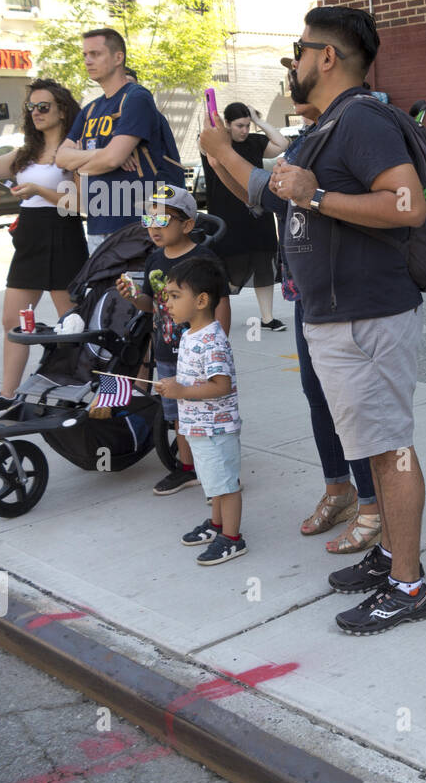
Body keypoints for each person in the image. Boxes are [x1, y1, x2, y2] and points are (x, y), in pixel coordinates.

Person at [268, 6, 426, 634]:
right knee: (374, 444)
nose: (294, 63)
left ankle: (409, 586)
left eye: (298, 50)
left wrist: (313, 195)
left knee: (390, 449)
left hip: (369, 315)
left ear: (326, 56)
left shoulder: (361, 118)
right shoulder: (331, 123)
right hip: (342, 316)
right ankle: (391, 554)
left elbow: (407, 205)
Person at [198, 72, 382, 551]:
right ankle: (338, 488)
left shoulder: (351, 132)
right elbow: (256, 193)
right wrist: (218, 156)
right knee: (317, 393)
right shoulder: (306, 142)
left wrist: (224, 152)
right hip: (306, 294)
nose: (291, 77)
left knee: (349, 403)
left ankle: (373, 505)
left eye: (298, 65)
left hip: (345, 295)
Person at [0, 80, 87, 419]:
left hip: (63, 234)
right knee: (13, 321)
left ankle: (76, 387)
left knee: (72, 323)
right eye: (32, 107)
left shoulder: (72, 150)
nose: (36, 113)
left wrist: (38, 189)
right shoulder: (26, 152)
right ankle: (7, 395)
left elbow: (78, 204)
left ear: (62, 109)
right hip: (30, 237)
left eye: (43, 106)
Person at [116, 185, 230, 495]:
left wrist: (218, 347)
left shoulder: (203, 258)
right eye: (148, 220)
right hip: (168, 352)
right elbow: (152, 306)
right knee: (179, 415)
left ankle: (219, 467)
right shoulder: (154, 260)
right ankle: (187, 469)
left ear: (188, 225)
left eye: (163, 221)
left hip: (199, 354)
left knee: (207, 410)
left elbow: (221, 304)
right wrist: (135, 297)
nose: (154, 228)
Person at [153, 255, 246, 566]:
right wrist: (173, 385)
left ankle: (232, 538)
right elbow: (195, 380)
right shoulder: (190, 334)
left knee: (225, 485)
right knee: (213, 484)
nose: (168, 303)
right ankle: (217, 525)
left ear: (202, 300)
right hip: (199, 427)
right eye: (167, 296)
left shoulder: (213, 340)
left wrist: (182, 391)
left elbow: (221, 385)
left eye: (176, 296)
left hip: (216, 429)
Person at [55, 28, 184, 252]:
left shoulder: (136, 97)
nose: (88, 60)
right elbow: (61, 158)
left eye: (95, 54)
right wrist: (102, 154)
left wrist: (91, 160)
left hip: (138, 225)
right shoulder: (90, 109)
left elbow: (112, 159)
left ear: (118, 57)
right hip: (98, 224)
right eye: (85, 55)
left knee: (138, 287)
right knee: (103, 288)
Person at [202, 101, 287, 332]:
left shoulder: (255, 142)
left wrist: (259, 121)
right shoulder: (215, 145)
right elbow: (205, 132)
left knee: (263, 265)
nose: (244, 131)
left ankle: (268, 318)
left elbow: (281, 143)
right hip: (226, 216)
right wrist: (210, 114)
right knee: (228, 268)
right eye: (239, 126)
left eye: (247, 125)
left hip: (257, 214)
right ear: (227, 124)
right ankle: (214, 316)